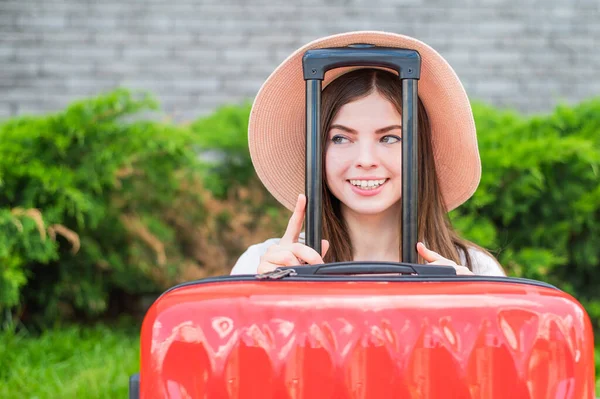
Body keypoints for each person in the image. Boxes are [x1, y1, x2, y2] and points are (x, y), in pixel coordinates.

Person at [230, 31, 505, 277]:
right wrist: (262, 298)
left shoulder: (475, 270)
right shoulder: (262, 266)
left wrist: (470, 305)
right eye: (340, 138)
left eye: (389, 138)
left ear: (421, 152)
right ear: (317, 152)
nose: (365, 159)